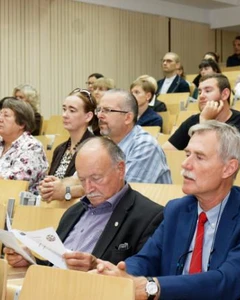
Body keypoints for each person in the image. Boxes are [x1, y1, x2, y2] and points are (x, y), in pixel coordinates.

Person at [95, 121, 240, 300]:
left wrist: (152, 287)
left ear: (228, 168)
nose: (185, 165)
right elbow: (146, 259)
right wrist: (118, 273)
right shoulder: (177, 209)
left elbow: (227, 282)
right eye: (187, 154)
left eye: (199, 157)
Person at [4, 137, 163, 270]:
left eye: (96, 178)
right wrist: (31, 260)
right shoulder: (73, 212)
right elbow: (56, 265)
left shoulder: (149, 216)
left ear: (120, 169)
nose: (88, 188)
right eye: (82, 180)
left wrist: (96, 267)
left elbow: (141, 277)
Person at [39, 89, 171, 202]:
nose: (99, 116)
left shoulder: (144, 146)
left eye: (107, 110)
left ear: (128, 118)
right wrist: (54, 186)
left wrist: (67, 192)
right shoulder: (102, 144)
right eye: (99, 110)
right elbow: (78, 178)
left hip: (140, 224)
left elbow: (121, 192)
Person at [162, 74, 240, 151]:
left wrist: (205, 122)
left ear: (225, 94)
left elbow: (216, 157)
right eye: (200, 92)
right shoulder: (192, 121)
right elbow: (167, 151)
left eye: (208, 91)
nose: (201, 96)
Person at [44, 88, 97, 180]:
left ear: (88, 116)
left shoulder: (95, 148)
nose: (65, 115)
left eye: (72, 111)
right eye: (64, 109)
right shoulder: (59, 149)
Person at [0, 97, 48, 193]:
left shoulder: (32, 147)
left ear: (21, 124)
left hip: (21, 204)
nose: (0, 119)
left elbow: (14, 184)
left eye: (6, 115)